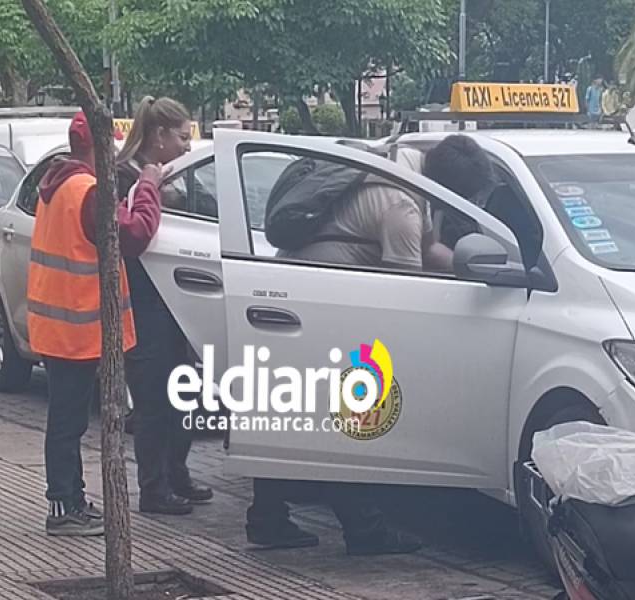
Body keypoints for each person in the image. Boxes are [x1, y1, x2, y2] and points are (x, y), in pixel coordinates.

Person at [248, 135, 495, 554]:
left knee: (298, 413)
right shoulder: (401, 204)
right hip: (327, 305)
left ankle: (268, 519)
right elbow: (405, 290)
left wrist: (480, 264)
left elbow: (427, 249)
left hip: (304, 294)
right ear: (451, 189)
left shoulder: (402, 169)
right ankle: (365, 532)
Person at [28, 111, 162, 536]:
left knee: (64, 418)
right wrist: (148, 190)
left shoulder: (58, 184)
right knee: (68, 422)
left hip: (58, 323)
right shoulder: (88, 191)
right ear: (97, 145)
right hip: (79, 328)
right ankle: (65, 506)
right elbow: (135, 236)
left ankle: (68, 499)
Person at [116, 96, 214, 515]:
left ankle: (176, 473)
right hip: (141, 302)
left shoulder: (171, 175)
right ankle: (154, 488)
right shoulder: (126, 178)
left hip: (172, 301)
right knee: (154, 399)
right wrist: (152, 187)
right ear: (157, 136)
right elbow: (135, 237)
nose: (187, 147)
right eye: (181, 137)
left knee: (180, 393)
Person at [280, 134, 495, 272]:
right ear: (448, 193)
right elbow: (407, 289)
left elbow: (428, 250)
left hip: (310, 274)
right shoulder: (401, 209)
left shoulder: (407, 160)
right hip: (316, 287)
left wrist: (473, 269)